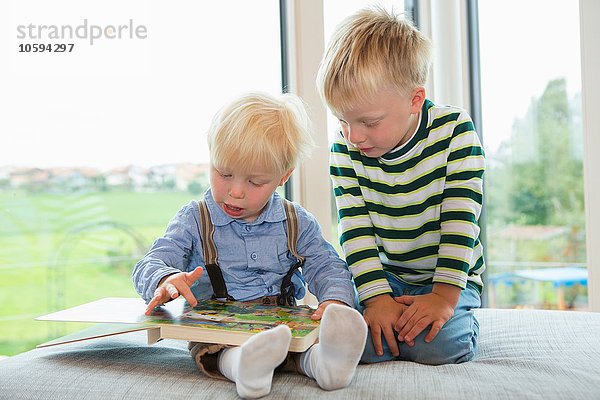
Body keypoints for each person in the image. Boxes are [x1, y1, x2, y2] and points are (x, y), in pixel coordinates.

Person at [132, 92, 368, 399]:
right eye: (224, 173)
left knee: (298, 347)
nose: (236, 192)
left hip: (283, 330)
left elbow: (327, 265)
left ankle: (326, 366)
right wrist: (165, 279)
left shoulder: (295, 221)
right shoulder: (195, 219)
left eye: (255, 182)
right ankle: (247, 369)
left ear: (283, 176)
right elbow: (148, 264)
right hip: (218, 333)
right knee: (220, 351)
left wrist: (335, 301)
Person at [317, 6, 485, 365]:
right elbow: (355, 229)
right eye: (342, 120)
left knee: (438, 346)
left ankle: (459, 321)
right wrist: (377, 300)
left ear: (415, 99)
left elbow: (460, 223)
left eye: (368, 121)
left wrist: (442, 298)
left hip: (446, 279)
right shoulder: (345, 147)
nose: (353, 135)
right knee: (354, 344)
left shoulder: (454, 132)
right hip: (384, 277)